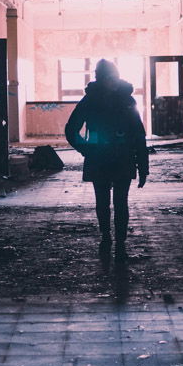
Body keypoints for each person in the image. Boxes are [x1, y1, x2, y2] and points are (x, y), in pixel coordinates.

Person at [64, 59, 150, 260]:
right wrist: (86, 149)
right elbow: (71, 131)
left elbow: (139, 136)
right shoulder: (98, 100)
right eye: (106, 78)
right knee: (104, 202)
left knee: (119, 202)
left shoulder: (118, 100)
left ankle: (117, 242)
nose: (110, 81)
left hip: (113, 159)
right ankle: (107, 237)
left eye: (112, 77)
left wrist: (143, 167)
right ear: (100, 79)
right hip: (107, 158)